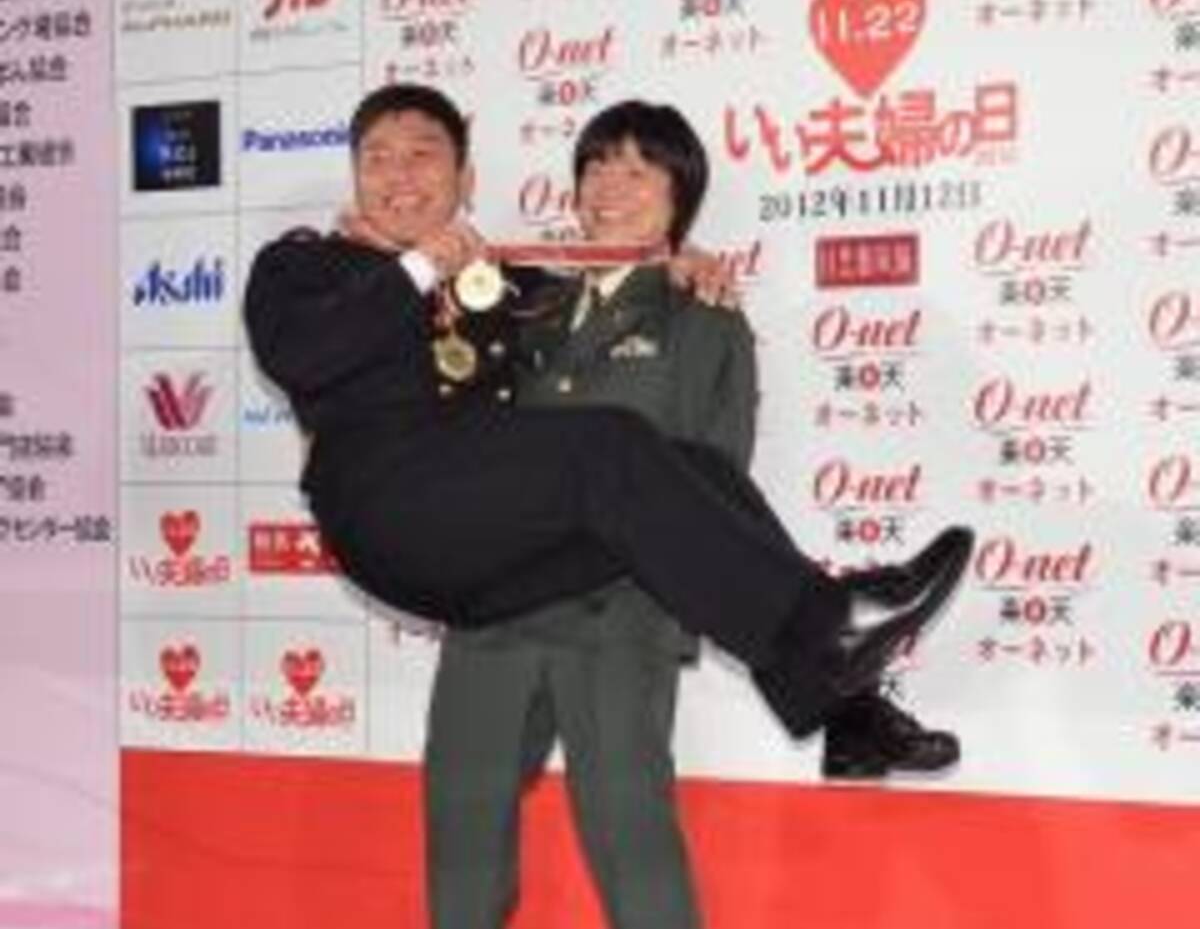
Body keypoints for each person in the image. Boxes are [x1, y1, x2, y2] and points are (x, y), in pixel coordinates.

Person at [242, 82, 972, 756]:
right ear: (355, 177)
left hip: (483, 556)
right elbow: (301, 355)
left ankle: (849, 715)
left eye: (422, 155)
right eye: (377, 159)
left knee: (697, 469)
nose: (399, 175)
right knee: (609, 443)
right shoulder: (302, 267)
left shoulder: (499, 280)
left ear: (464, 179)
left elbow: (595, 289)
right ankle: (834, 625)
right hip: (388, 510)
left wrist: (675, 263)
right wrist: (416, 268)